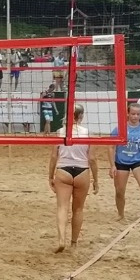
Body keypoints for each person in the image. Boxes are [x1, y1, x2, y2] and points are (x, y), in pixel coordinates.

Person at [48, 103, 98, 253]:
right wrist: (96, 180)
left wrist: (50, 176)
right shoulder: (88, 133)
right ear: (81, 116)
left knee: (62, 207)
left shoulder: (60, 132)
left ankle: (61, 239)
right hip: (82, 172)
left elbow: (53, 156)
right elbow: (92, 159)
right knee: (78, 209)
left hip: (63, 170)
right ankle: (74, 243)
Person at [108, 101, 140, 221]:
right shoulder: (120, 128)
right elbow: (111, 147)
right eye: (133, 114)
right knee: (119, 191)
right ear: (128, 114)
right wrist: (112, 165)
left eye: (138, 114)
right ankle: (121, 214)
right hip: (121, 161)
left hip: (138, 160)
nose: (135, 116)